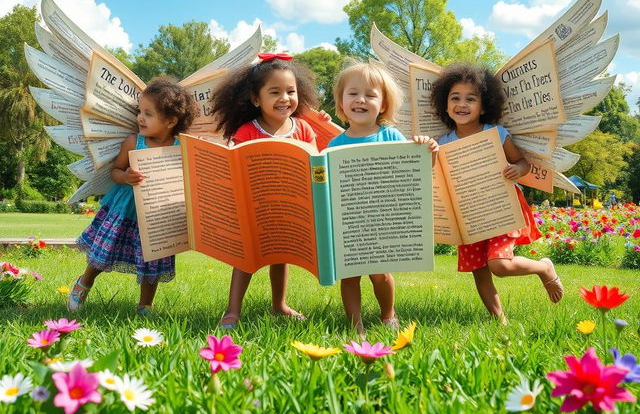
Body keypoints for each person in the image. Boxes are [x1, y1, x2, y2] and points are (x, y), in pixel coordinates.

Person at [431, 64, 563, 324]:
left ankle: (543, 267)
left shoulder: (496, 133)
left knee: (499, 266)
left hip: (500, 207)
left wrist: (517, 169)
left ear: (484, 105)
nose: (462, 104)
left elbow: (523, 163)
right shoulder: (443, 142)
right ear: (444, 104)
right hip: (467, 214)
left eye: (471, 98)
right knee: (479, 270)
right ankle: (499, 320)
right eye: (455, 97)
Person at [210, 53, 325, 329]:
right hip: (254, 208)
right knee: (245, 258)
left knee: (281, 256)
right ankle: (232, 310)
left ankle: (279, 304)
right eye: (275, 92)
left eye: (291, 91)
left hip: (289, 207)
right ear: (255, 99)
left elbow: (316, 165)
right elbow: (235, 166)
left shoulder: (304, 129)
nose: (284, 98)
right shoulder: (247, 131)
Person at [68, 77, 196, 314]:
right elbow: (116, 171)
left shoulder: (180, 148)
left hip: (158, 215)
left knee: (153, 258)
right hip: (125, 208)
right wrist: (125, 176)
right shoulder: (134, 142)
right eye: (140, 111)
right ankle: (84, 283)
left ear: (170, 121)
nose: (140, 117)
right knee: (103, 251)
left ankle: (145, 304)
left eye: (148, 114)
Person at [329, 61, 439, 336]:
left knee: (381, 275)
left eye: (370, 94)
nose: (361, 100)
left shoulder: (391, 135)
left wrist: (429, 151)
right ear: (341, 104)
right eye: (352, 93)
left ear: (384, 104)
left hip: (383, 222)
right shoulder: (334, 144)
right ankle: (356, 326)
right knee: (349, 277)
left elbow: (416, 171)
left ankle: (388, 315)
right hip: (350, 224)